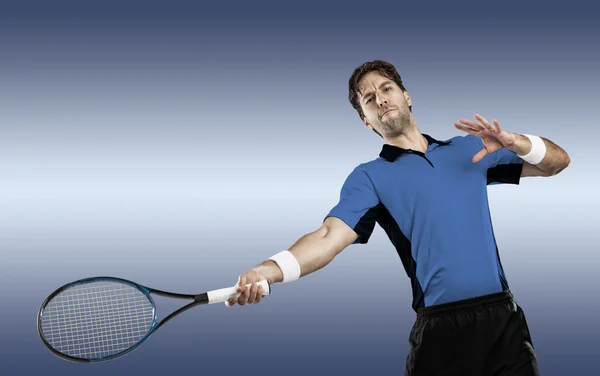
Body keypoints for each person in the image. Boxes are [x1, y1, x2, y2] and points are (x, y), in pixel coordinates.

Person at [224, 60, 570, 375]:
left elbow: (557, 162)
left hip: (502, 321)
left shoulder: (470, 149)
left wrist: (518, 142)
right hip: (441, 330)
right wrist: (268, 270)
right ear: (365, 119)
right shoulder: (370, 177)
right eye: (369, 99)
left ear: (406, 96)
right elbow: (328, 237)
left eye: (386, 89)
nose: (381, 99)